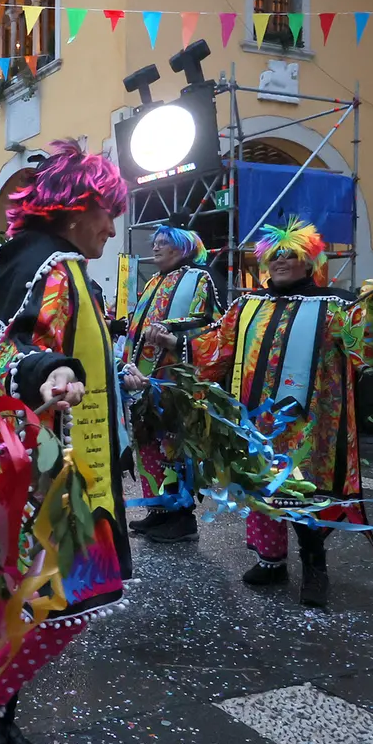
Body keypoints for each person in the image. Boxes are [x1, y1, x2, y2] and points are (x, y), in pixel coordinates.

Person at [0, 139, 138, 744]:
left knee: (35, 600)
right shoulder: (47, 264)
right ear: (76, 209)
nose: (111, 226)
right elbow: (15, 347)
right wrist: (46, 372)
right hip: (43, 474)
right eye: (107, 212)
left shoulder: (36, 259)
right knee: (61, 598)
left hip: (45, 463)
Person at [183, 218, 373, 608]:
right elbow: (216, 347)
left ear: (309, 262)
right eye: (274, 255)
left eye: (291, 255)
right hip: (253, 421)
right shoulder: (246, 305)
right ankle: (271, 561)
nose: (281, 261)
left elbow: (362, 350)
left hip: (308, 425)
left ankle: (314, 567)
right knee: (259, 486)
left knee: (302, 492)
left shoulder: (336, 305)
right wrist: (175, 344)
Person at [122, 216, 224, 544]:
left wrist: (175, 339)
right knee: (147, 445)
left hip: (174, 382)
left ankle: (181, 518)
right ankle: (159, 510)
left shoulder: (200, 278)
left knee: (173, 448)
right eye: (155, 242)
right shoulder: (154, 281)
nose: (155, 247)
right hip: (142, 382)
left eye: (163, 243)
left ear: (182, 247)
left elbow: (214, 326)